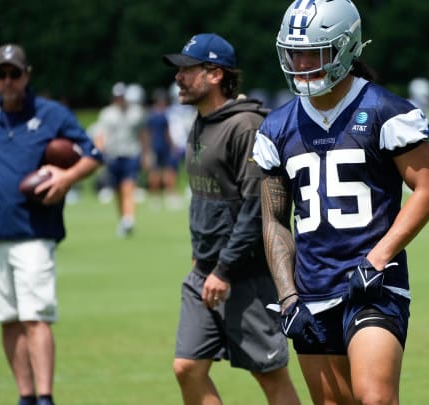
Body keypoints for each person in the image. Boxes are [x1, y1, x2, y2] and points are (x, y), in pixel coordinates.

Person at [252, 1, 429, 403]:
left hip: (373, 283)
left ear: (346, 48)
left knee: (374, 398)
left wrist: (378, 257)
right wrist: (287, 297)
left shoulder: (385, 112)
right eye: (294, 52)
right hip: (311, 289)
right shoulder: (276, 127)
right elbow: (273, 220)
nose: (302, 63)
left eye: (314, 53)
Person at [162, 33, 301, 405]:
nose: (178, 77)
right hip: (204, 272)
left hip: (246, 274)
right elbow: (208, 200)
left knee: (270, 376)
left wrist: (224, 270)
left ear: (215, 74)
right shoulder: (200, 122)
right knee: (187, 367)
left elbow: (257, 208)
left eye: (186, 70)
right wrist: (202, 257)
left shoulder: (246, 127)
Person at [0, 43, 102, 405]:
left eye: (15, 73)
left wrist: (65, 178)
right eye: (1, 74)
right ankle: (25, 396)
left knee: (35, 317)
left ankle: (45, 397)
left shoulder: (52, 113)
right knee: (7, 319)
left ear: (27, 75)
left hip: (34, 233)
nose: (8, 80)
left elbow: (92, 154)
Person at [93, 81, 148, 236]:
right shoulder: (107, 113)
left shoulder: (136, 112)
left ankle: (129, 219)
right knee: (118, 190)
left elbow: (143, 134)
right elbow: (100, 135)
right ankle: (123, 219)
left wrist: (146, 153)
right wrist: (99, 153)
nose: (120, 99)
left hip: (130, 154)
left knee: (128, 186)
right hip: (113, 155)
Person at [145, 87, 181, 209]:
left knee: (161, 172)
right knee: (160, 172)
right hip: (159, 146)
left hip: (157, 145)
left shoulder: (151, 114)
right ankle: (164, 196)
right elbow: (165, 133)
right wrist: (172, 145)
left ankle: (157, 198)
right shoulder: (161, 115)